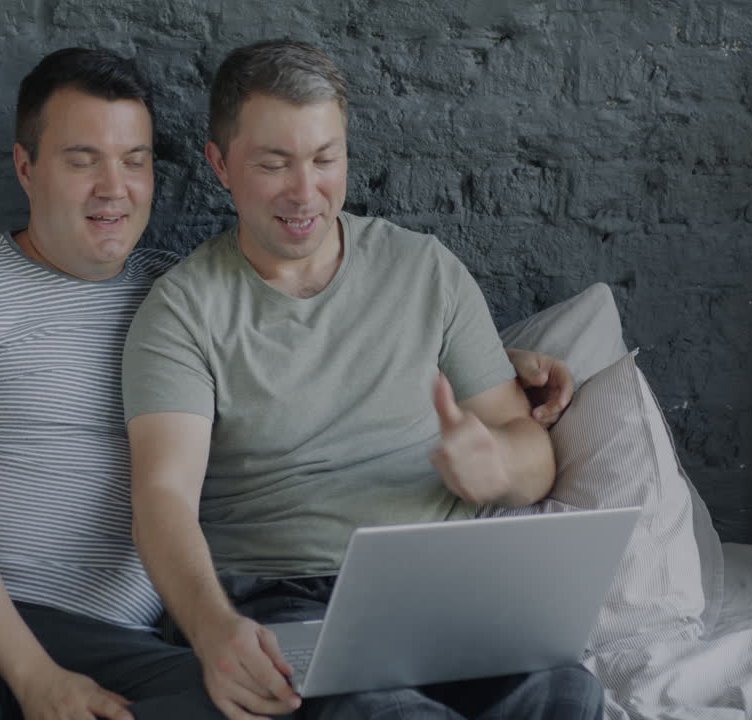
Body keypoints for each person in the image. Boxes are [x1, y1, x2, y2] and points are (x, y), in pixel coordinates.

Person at [0, 45, 573, 720]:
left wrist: (504, 388)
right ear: (24, 166)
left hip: (117, 633)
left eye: (134, 161)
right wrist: (35, 676)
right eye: (82, 160)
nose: (114, 188)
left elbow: (299, 335)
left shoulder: (163, 283)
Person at [122, 40, 602, 720]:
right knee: (381, 710)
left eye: (325, 159)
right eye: (274, 163)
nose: (305, 191)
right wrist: (209, 627)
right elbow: (162, 500)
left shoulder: (425, 271)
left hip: (439, 585)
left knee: (566, 688)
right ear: (220, 165)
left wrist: (497, 466)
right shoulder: (182, 310)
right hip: (278, 596)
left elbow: (529, 452)